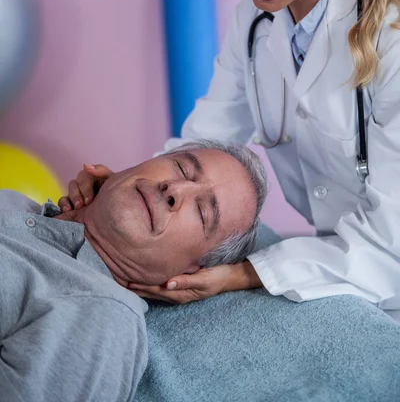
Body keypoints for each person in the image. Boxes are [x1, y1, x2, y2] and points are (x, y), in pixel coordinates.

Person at [61, 0, 400, 317]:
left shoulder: (390, 42)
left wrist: (246, 273)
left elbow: (392, 244)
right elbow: (205, 143)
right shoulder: (255, 23)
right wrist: (129, 189)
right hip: (339, 276)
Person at [0, 140, 266, 402]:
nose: (174, 189)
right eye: (182, 169)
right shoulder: (14, 202)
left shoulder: (102, 316)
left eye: (203, 211)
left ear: (191, 273)